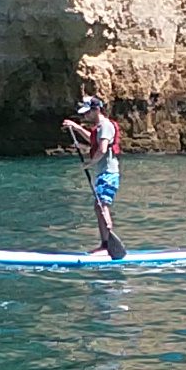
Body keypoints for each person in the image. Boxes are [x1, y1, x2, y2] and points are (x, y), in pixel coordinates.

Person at [60, 93, 128, 260]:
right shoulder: (99, 127)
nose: (85, 116)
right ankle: (105, 244)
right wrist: (76, 128)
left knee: (102, 206)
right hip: (104, 173)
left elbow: (102, 149)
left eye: (87, 112)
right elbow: (92, 140)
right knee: (99, 206)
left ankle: (107, 245)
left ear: (96, 110)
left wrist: (90, 163)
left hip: (109, 173)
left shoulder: (106, 126)